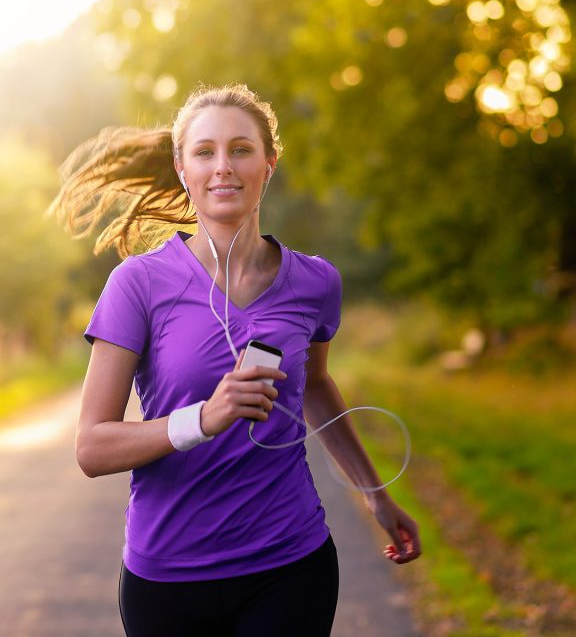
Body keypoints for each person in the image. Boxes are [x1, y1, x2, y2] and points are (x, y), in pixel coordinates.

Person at [50, 84, 421, 636]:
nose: (223, 167)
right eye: (205, 152)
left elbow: (314, 386)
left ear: (269, 163)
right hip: (169, 577)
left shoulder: (316, 282)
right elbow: (92, 446)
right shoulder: (139, 284)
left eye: (241, 149)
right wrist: (203, 419)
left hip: (290, 564)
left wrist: (376, 495)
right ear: (182, 168)